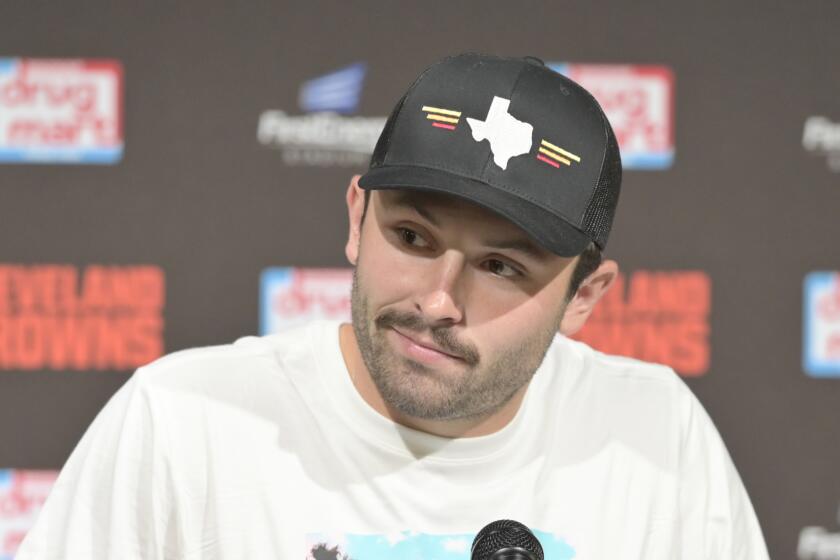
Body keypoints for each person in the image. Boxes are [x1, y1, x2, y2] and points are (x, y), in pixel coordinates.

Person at [16, 53, 769, 559]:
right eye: (411, 235)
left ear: (585, 297)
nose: (439, 299)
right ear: (355, 219)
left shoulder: (656, 438)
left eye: (501, 266)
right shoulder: (181, 421)